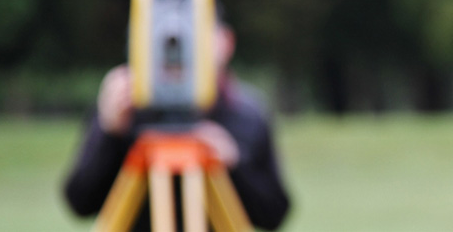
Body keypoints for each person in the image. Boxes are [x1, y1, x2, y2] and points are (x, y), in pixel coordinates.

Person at [64, 21, 290, 231]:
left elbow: (273, 214)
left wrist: (235, 165)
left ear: (226, 41)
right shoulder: (124, 109)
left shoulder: (248, 115)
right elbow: (80, 203)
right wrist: (109, 133)